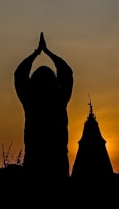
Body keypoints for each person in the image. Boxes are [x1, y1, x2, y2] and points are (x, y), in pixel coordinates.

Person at [14, 32, 74, 186]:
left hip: (35, 161)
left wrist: (37, 53)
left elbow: (19, 74)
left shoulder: (31, 100)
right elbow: (67, 73)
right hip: (57, 161)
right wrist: (48, 52)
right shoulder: (59, 99)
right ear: (55, 82)